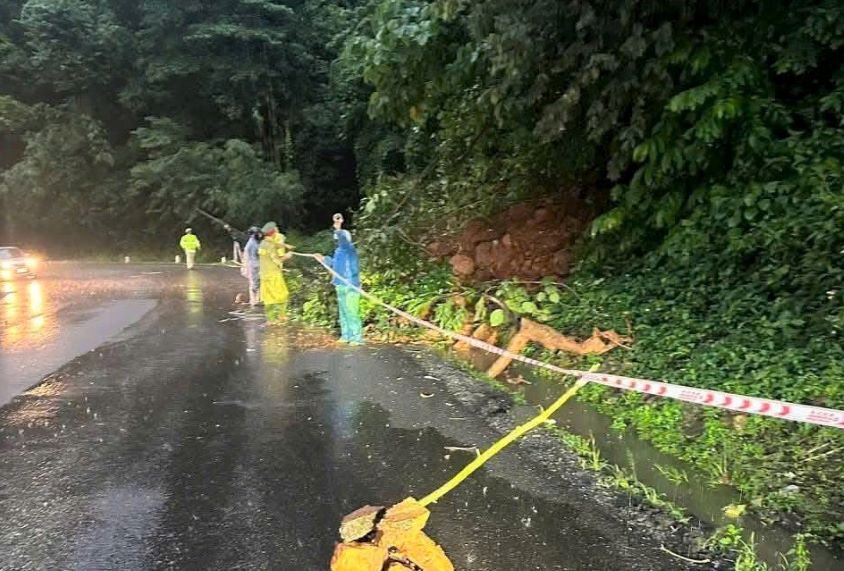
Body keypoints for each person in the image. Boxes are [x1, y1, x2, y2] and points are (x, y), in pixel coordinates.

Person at [316, 213, 363, 345]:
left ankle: (356, 337)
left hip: (351, 284)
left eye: (339, 238)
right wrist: (323, 259)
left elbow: (343, 240)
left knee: (352, 311)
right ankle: (346, 335)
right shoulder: (338, 251)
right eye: (336, 239)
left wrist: (338, 227)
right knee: (343, 311)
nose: (337, 240)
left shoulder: (349, 249)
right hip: (340, 284)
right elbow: (333, 263)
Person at [258, 222, 293, 323]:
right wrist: (288, 255)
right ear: (273, 233)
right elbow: (277, 260)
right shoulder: (271, 246)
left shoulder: (263, 244)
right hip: (273, 274)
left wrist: (285, 245)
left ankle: (270, 319)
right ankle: (282, 316)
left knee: (268, 298)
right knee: (283, 294)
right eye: (276, 230)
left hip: (264, 275)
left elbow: (275, 244)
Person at [243, 226, 262, 307]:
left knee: (256, 282)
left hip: (255, 265)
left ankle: (256, 300)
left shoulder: (253, 242)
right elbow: (248, 253)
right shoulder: (251, 243)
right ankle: (254, 301)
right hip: (253, 265)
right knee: (254, 283)